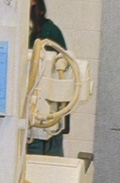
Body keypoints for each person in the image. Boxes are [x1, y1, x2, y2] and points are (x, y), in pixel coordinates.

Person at [28, 0, 67, 156]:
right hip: (21, 125)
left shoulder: (48, 32)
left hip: (43, 125)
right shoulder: (14, 33)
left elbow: (64, 74)